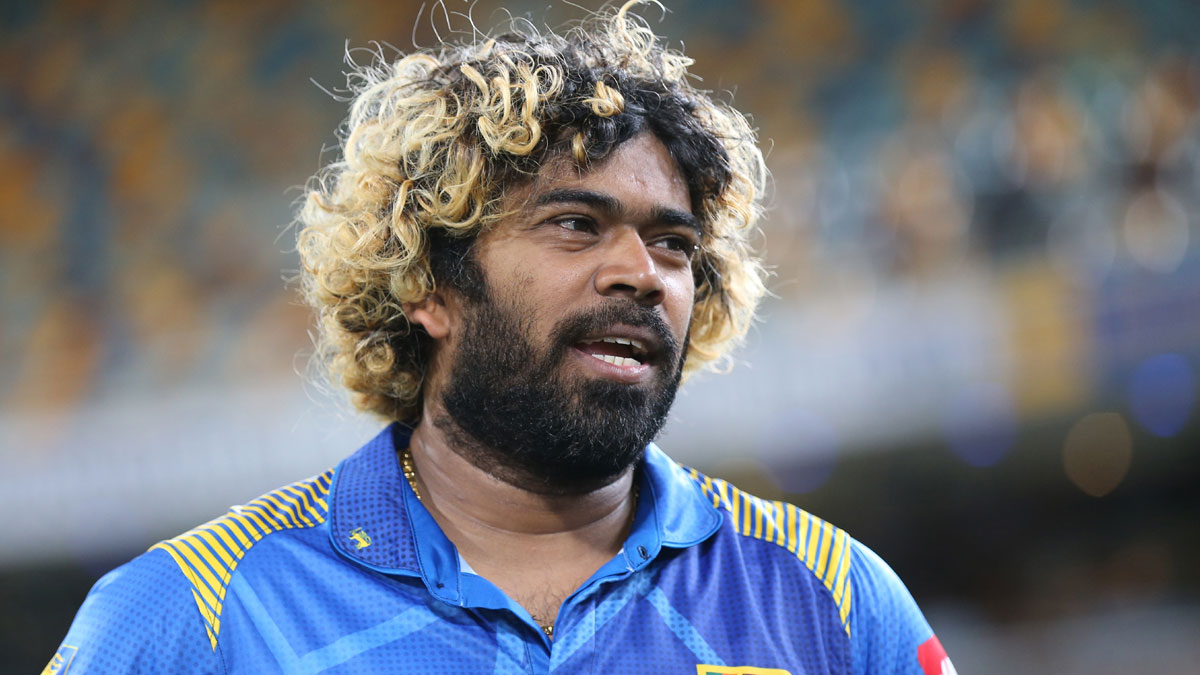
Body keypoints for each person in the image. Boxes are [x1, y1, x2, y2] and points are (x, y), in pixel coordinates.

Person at [46, 3, 954, 673]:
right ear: (427, 283)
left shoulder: (832, 597)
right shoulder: (190, 619)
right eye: (575, 225)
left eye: (673, 243)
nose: (642, 272)